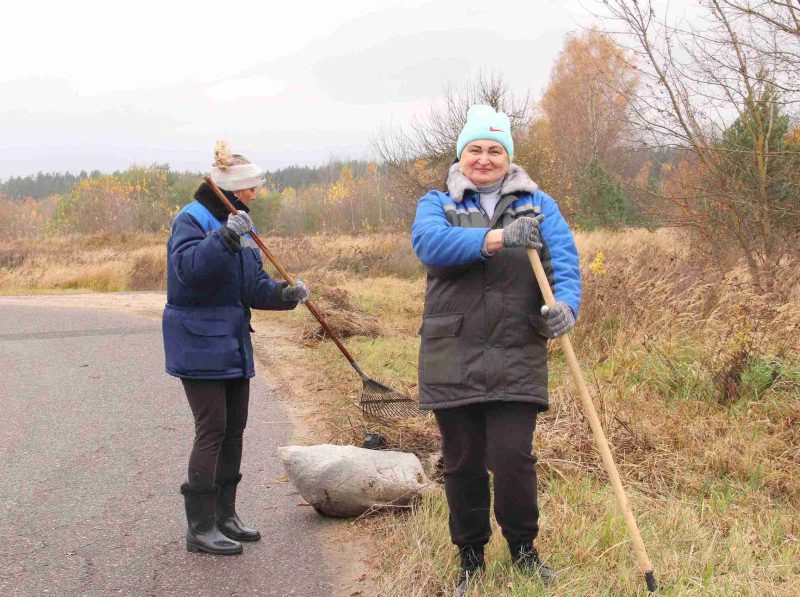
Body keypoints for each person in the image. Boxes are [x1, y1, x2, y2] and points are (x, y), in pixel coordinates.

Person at [411, 105, 581, 593]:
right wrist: (498, 237)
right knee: (462, 461)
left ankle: (525, 551)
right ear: (461, 154)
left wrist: (566, 307)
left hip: (515, 349)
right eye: (475, 150)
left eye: (495, 151)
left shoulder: (539, 204)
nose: (484, 160)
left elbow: (564, 264)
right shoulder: (436, 202)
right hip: (452, 352)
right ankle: (470, 558)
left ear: (508, 156)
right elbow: (431, 246)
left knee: (512, 457)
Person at [162, 141, 309, 555]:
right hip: (197, 342)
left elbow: (251, 287)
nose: (254, 195)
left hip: (232, 342)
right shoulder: (191, 220)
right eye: (248, 189)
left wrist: (285, 294)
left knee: (234, 432)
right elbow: (188, 272)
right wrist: (225, 237)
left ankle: (226, 516)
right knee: (212, 430)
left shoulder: (241, 225)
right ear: (229, 189)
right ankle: (200, 527)